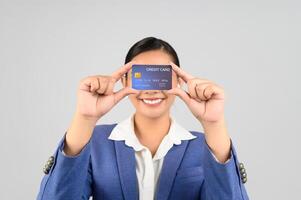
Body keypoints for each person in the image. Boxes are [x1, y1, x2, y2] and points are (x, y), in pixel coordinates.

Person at [37, 37, 249, 200]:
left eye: (161, 77)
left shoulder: (207, 146)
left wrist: (214, 124)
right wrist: (84, 118)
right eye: (142, 78)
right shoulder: (95, 141)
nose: (152, 90)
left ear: (180, 82)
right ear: (124, 81)